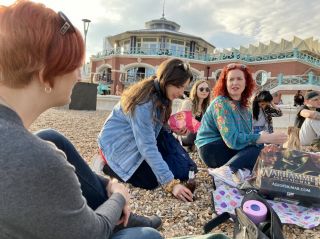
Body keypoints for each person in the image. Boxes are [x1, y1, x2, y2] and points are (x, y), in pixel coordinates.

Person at [0, 1, 162, 239]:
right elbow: (91, 233)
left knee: (51, 137)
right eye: (75, 65)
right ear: (45, 76)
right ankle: (125, 220)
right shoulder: (37, 157)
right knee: (148, 236)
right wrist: (119, 195)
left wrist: (107, 183)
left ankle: (122, 217)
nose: (81, 75)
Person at [98, 58, 195, 202]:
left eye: (184, 88)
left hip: (138, 140)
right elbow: (147, 147)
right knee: (151, 182)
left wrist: (173, 129)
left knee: (186, 169)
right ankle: (106, 164)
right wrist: (171, 184)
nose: (181, 92)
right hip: (119, 147)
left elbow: (155, 125)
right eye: (179, 86)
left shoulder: (160, 93)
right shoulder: (143, 102)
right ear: (167, 79)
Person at [195, 63, 287, 187]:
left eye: (239, 79)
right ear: (225, 83)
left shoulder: (246, 106)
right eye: (231, 79)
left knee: (266, 152)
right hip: (212, 149)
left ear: (246, 82)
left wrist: (265, 140)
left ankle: (237, 172)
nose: (235, 83)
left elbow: (246, 136)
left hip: (230, 149)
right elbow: (232, 140)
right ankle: (226, 171)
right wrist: (264, 137)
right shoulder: (220, 103)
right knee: (258, 148)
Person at [179, 80, 211, 151]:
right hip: (186, 135)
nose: (204, 91)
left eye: (207, 89)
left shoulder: (206, 107)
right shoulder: (188, 103)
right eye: (201, 89)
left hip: (199, 136)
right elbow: (182, 123)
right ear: (195, 90)